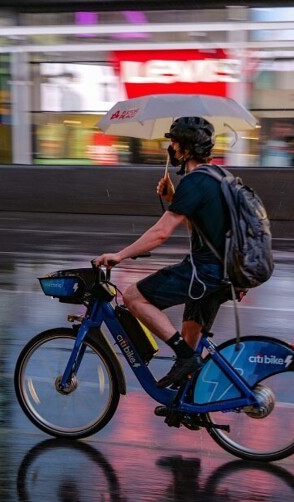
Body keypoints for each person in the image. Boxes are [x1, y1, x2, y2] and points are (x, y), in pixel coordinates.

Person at [94, 117, 232, 388]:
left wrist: (120, 255)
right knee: (190, 334)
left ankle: (186, 358)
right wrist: (173, 199)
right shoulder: (220, 177)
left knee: (134, 296)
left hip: (205, 270)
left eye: (173, 142)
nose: (170, 147)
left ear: (185, 149)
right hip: (227, 269)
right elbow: (203, 229)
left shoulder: (195, 182)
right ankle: (188, 400)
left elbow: (160, 233)